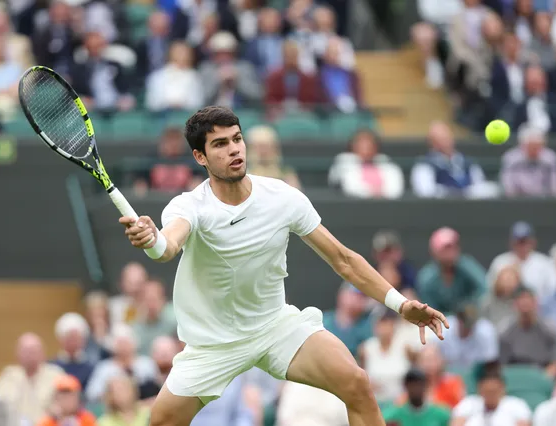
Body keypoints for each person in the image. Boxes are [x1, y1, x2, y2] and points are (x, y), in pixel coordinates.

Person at [119, 106, 449, 426]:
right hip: (213, 343)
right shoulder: (190, 206)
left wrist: (401, 304)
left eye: (237, 139)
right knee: (161, 421)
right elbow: (166, 247)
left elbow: (344, 260)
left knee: (356, 383)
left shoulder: (282, 197)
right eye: (220, 144)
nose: (234, 150)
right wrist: (151, 240)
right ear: (200, 157)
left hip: (274, 326)